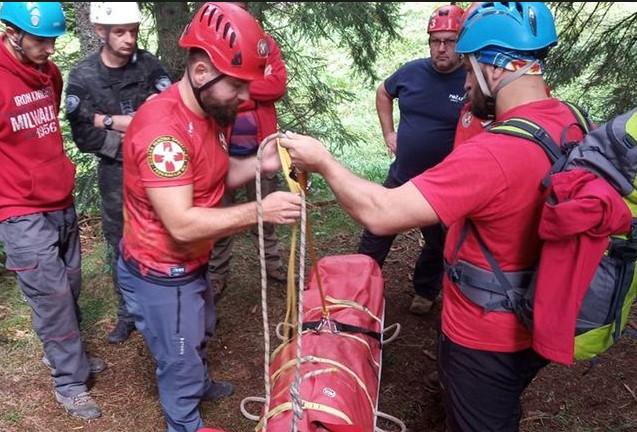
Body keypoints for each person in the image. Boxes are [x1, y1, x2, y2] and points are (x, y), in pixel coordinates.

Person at [281, 2, 584, 430]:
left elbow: (381, 213)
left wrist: (325, 162)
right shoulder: (569, 120)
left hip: (484, 337)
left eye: (469, 67)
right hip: (534, 312)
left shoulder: (494, 154)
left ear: (495, 67)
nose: (464, 81)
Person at [116, 3, 301, 431]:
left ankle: (196, 381)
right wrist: (260, 210)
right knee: (179, 355)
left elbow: (216, 174)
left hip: (190, 261)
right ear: (201, 72)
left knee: (200, 331)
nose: (245, 99)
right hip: (162, 270)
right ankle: (185, 422)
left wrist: (262, 163)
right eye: (238, 87)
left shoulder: (211, 112)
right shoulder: (164, 134)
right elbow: (180, 222)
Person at [0, 1, 105, 420]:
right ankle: (69, 381)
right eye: (41, 40)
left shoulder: (49, 74)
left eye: (53, 40)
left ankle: (67, 355)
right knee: (52, 294)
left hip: (58, 199)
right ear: (11, 33)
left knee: (70, 284)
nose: (50, 48)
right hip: (18, 207)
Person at [66, 2, 172, 344]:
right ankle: (128, 311)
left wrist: (110, 120)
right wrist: (120, 129)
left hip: (157, 166)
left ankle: (162, 305)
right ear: (100, 32)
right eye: (120, 32)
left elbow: (169, 112)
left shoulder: (150, 65)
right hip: (115, 173)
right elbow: (84, 135)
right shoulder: (84, 75)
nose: (129, 39)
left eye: (133, 31)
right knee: (120, 241)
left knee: (165, 230)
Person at [357, 4, 466, 316]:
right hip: (403, 174)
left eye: (449, 40)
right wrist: (388, 133)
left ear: (461, 42)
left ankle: (425, 290)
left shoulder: (471, 81)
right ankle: (358, 291)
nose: (441, 48)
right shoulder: (411, 72)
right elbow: (383, 92)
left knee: (438, 243)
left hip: (441, 186)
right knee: (375, 233)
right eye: (435, 40)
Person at [208, 1, 288, 298]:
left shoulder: (265, 44)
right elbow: (212, 93)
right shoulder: (213, 48)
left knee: (266, 213)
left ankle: (273, 264)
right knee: (220, 216)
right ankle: (216, 273)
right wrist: (255, 83)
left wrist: (237, 86)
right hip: (223, 150)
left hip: (262, 149)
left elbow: (277, 85)